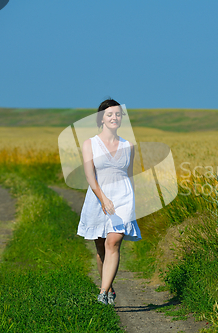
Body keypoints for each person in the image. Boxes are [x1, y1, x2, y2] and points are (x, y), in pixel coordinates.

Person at [77, 98, 141, 306]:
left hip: (123, 198)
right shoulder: (90, 144)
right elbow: (90, 176)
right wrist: (103, 199)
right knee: (101, 248)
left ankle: (103, 293)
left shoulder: (128, 145)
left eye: (118, 114)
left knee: (113, 242)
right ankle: (108, 286)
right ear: (101, 119)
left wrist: (132, 202)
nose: (114, 117)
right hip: (98, 198)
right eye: (109, 114)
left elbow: (129, 175)